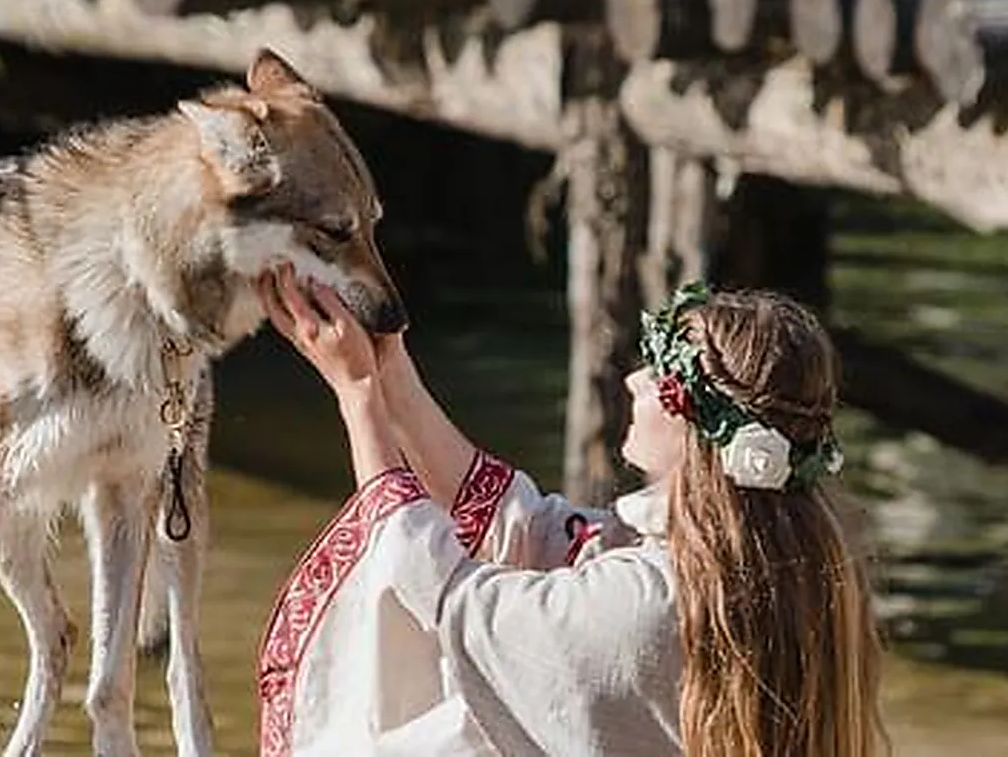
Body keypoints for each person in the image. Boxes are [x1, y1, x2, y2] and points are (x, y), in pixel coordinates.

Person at [252, 264, 888, 757]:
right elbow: (530, 526)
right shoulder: (792, 559)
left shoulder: (647, 602)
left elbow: (448, 595)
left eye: (656, 370)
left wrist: (358, 399)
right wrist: (394, 378)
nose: (633, 381)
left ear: (695, 422)